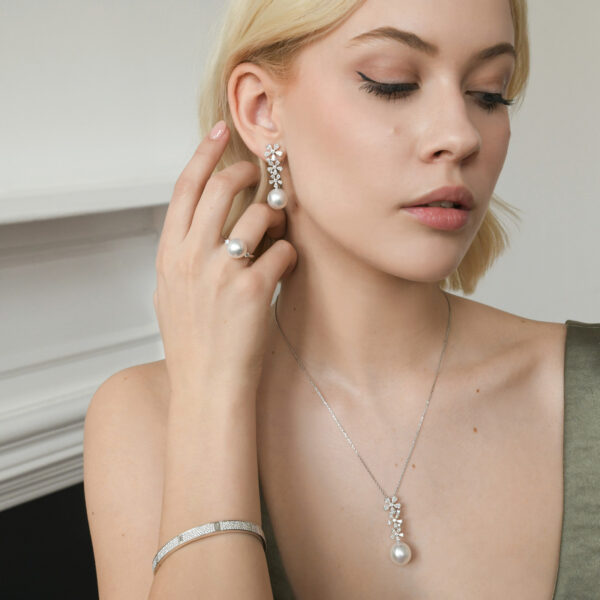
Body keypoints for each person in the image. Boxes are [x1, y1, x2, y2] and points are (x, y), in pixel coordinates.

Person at [82, 0, 599, 598]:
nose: (460, 136)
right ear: (261, 109)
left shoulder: (582, 389)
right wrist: (210, 400)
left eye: (489, 93)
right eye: (392, 83)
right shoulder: (146, 415)